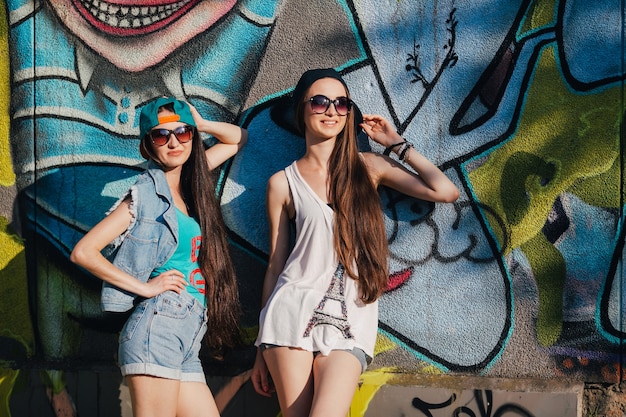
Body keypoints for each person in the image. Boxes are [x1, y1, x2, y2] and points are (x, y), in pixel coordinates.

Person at [250, 68, 460, 417]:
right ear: (302, 110)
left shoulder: (369, 167)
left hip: (352, 316)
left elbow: (445, 191)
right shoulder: (282, 183)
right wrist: (259, 349)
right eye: (320, 102)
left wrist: (396, 144)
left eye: (341, 103)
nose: (331, 110)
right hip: (289, 315)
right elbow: (276, 265)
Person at [71, 96, 247, 417]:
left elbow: (238, 138)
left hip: (189, 334)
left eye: (183, 132)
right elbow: (84, 252)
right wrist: (146, 288)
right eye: (161, 135)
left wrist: (203, 124)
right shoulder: (145, 196)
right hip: (159, 328)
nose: (174, 142)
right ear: (148, 146)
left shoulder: (193, 184)